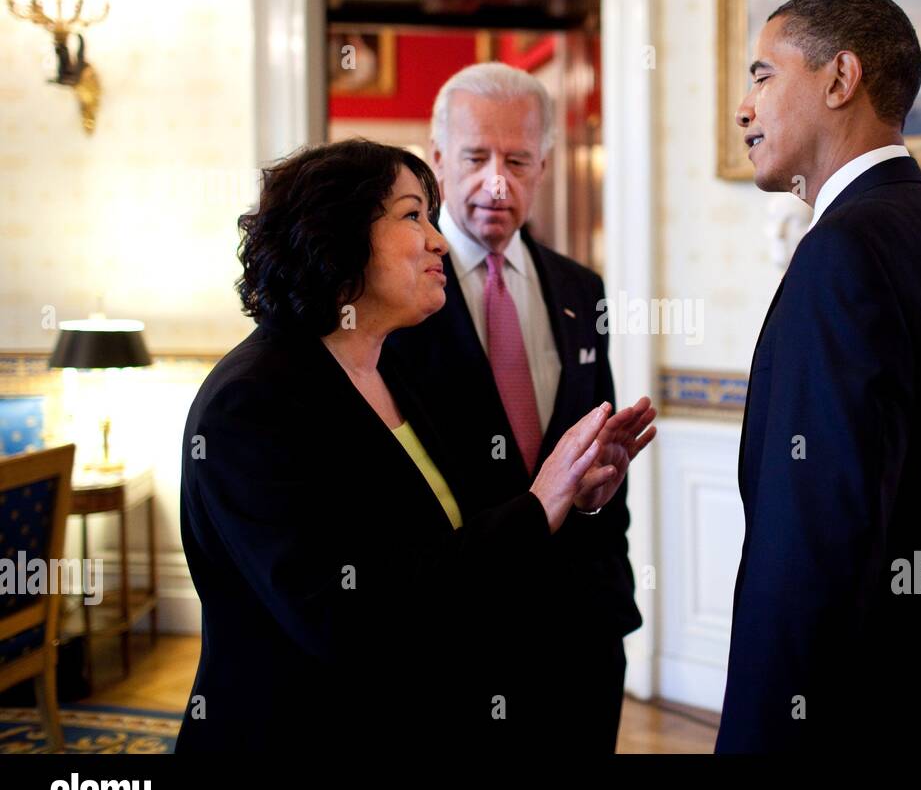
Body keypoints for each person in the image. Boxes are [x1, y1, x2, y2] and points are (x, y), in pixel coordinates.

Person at [176, 139, 654, 753]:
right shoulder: (253, 404)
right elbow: (344, 618)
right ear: (336, 231)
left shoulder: (392, 372)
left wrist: (573, 495)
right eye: (412, 216)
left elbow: (467, 529)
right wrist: (540, 503)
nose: (439, 241)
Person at [716, 0, 921, 753]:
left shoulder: (844, 252)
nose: (743, 108)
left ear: (838, 78)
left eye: (762, 75)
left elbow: (816, 547)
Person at [386, 62, 650, 752]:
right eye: (475, 158)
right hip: (459, 637)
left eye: (518, 160)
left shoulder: (580, 288)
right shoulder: (393, 299)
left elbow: (591, 453)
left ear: (545, 166)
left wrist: (592, 491)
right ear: (437, 158)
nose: (497, 182)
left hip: (581, 630)